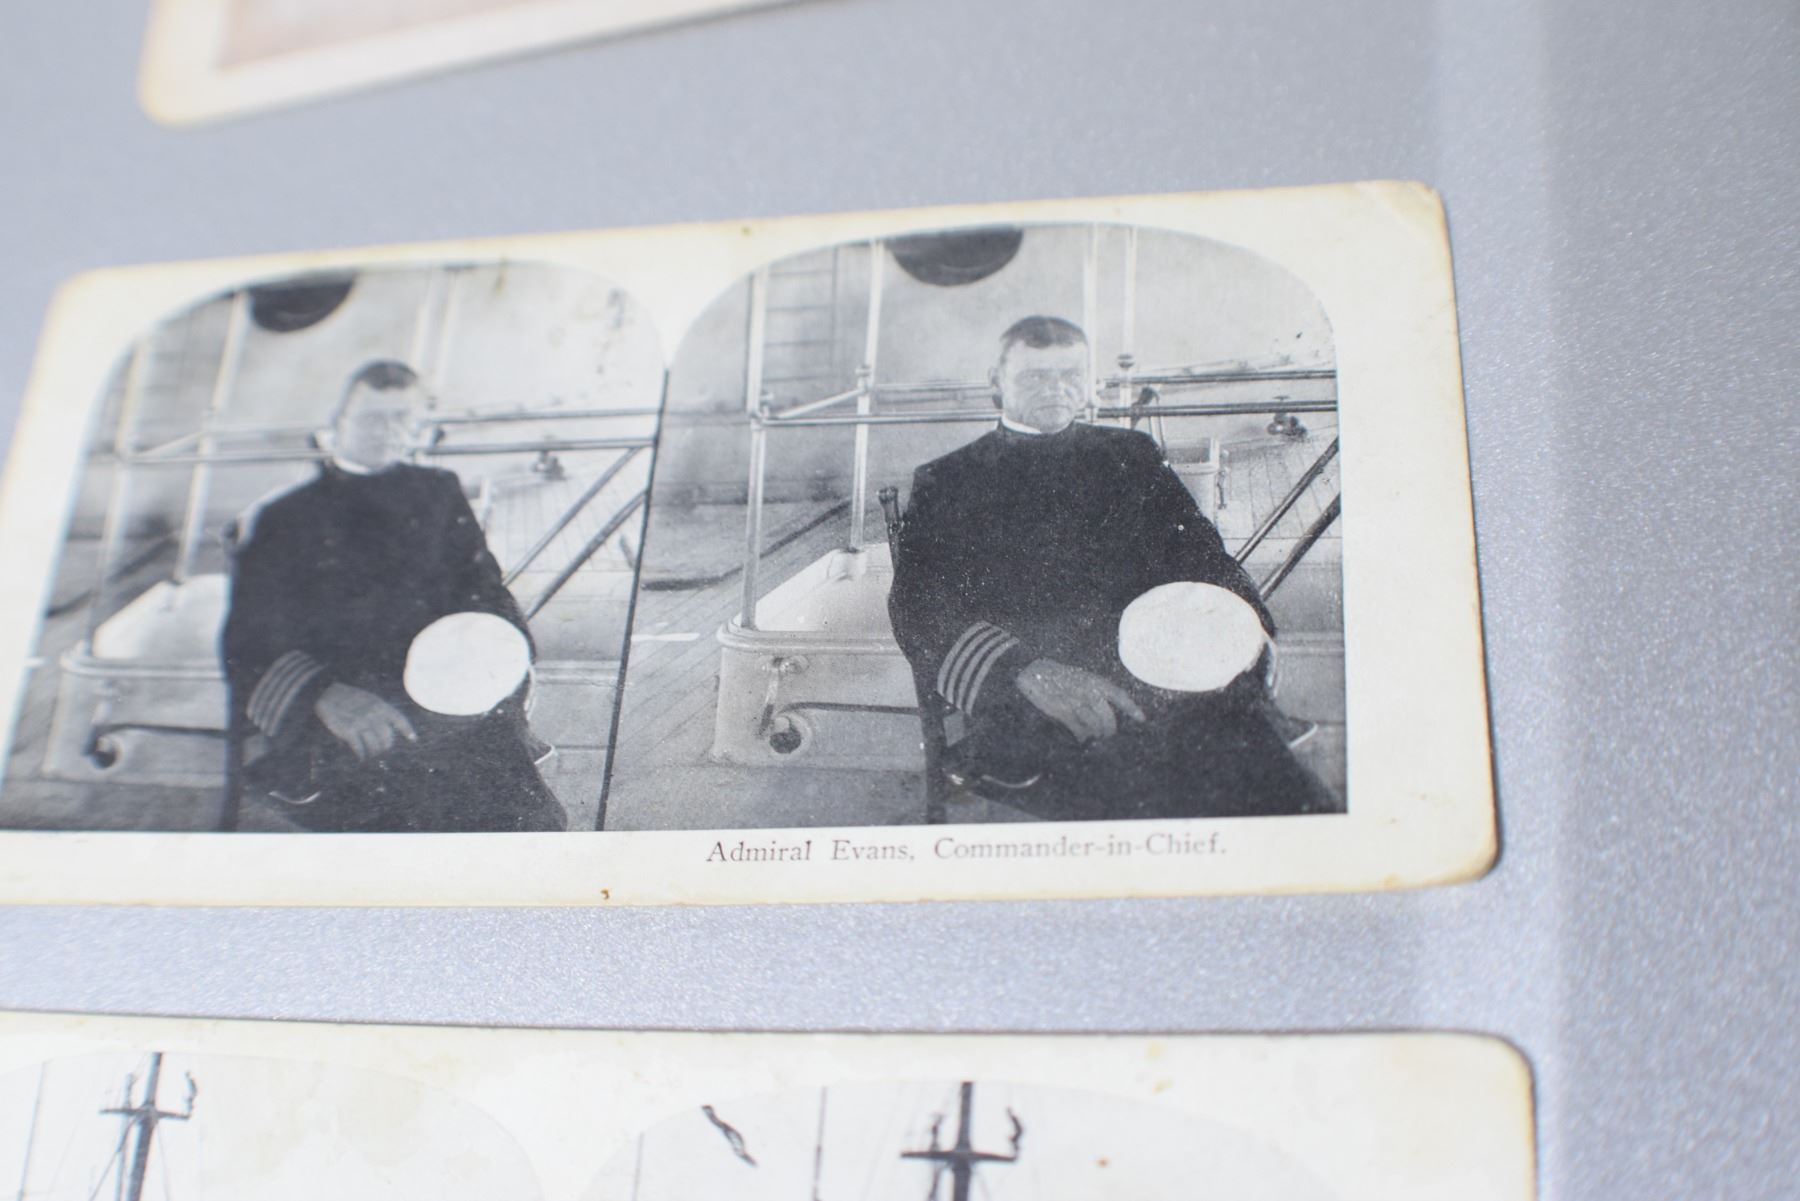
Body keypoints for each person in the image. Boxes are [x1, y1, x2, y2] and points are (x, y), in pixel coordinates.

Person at [886, 316, 1337, 821]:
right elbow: (916, 606)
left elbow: (1201, 555)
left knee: (1282, 797)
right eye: (1035, 376)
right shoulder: (949, 480)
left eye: (1070, 375)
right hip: (1045, 703)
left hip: (1170, 677)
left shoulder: (1130, 454)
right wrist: (1023, 671)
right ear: (997, 382)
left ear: (1089, 381)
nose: (1056, 388)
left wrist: (1247, 627)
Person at [220, 360, 566, 832]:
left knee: (526, 822)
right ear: (338, 422)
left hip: (447, 690)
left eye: (403, 418)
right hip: (351, 708)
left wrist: (496, 658)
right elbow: (246, 643)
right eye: (372, 418)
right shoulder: (286, 518)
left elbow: (484, 588)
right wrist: (322, 696)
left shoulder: (438, 492)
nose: (389, 432)